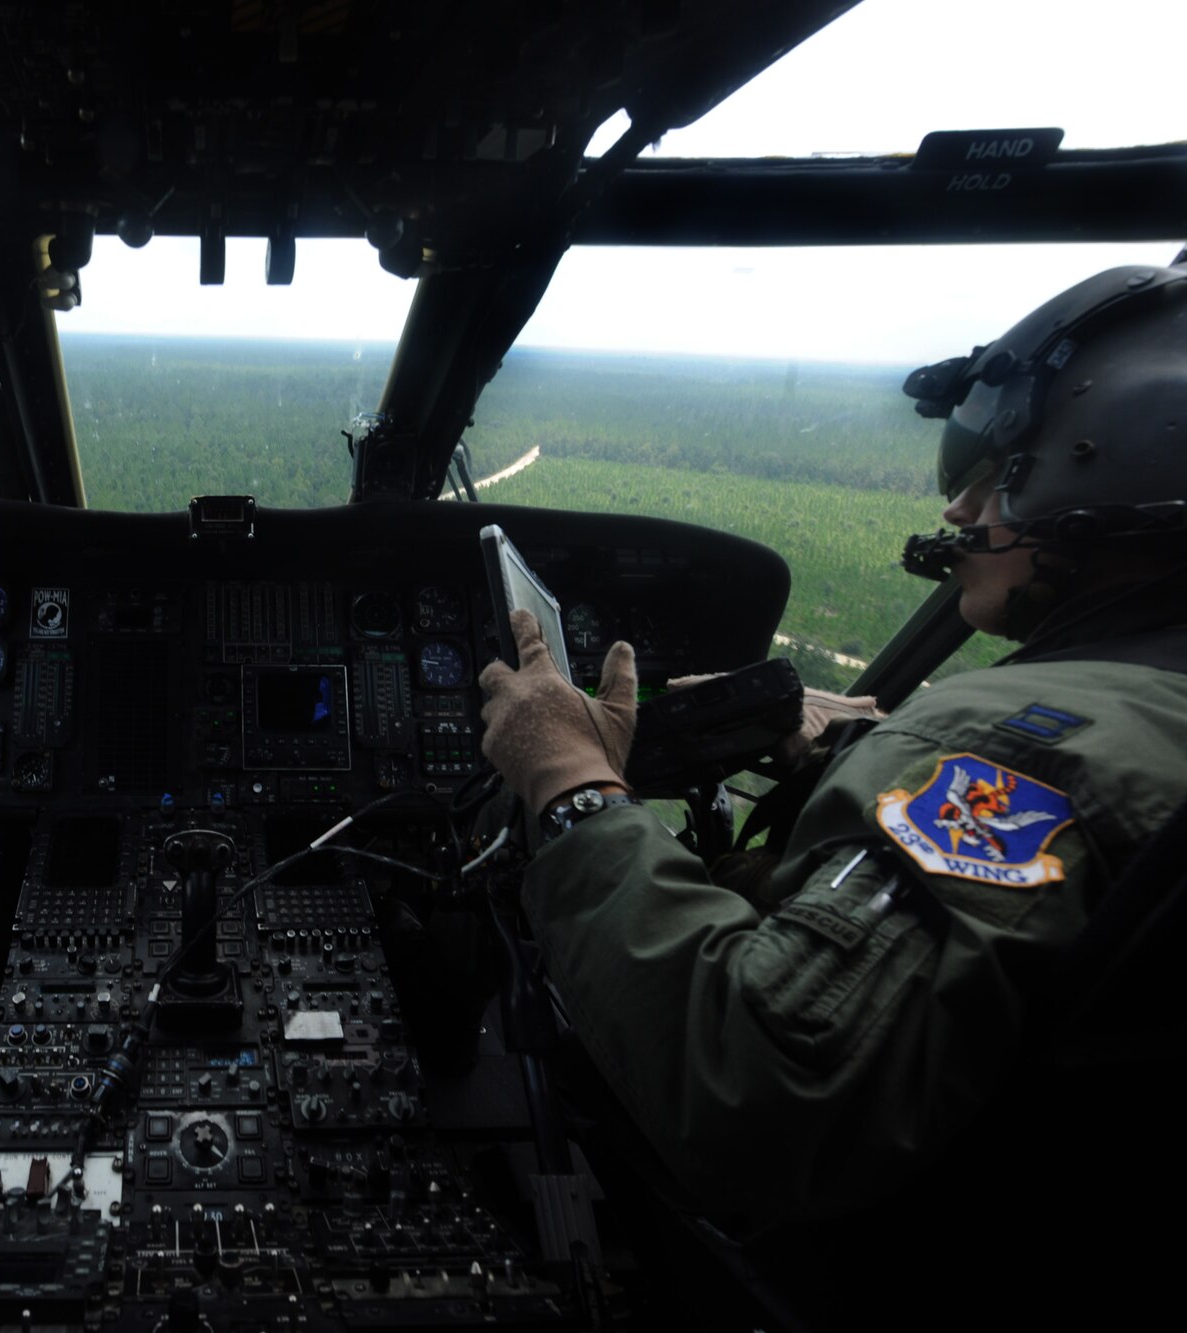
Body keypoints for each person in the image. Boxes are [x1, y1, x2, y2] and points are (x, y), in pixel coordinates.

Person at [477, 262, 1187, 1325]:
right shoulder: (1140, 714)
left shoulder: (1027, 748)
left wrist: (568, 781)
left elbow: (757, 1088)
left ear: (1104, 467)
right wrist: (834, 786)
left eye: (998, 476)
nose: (959, 505)